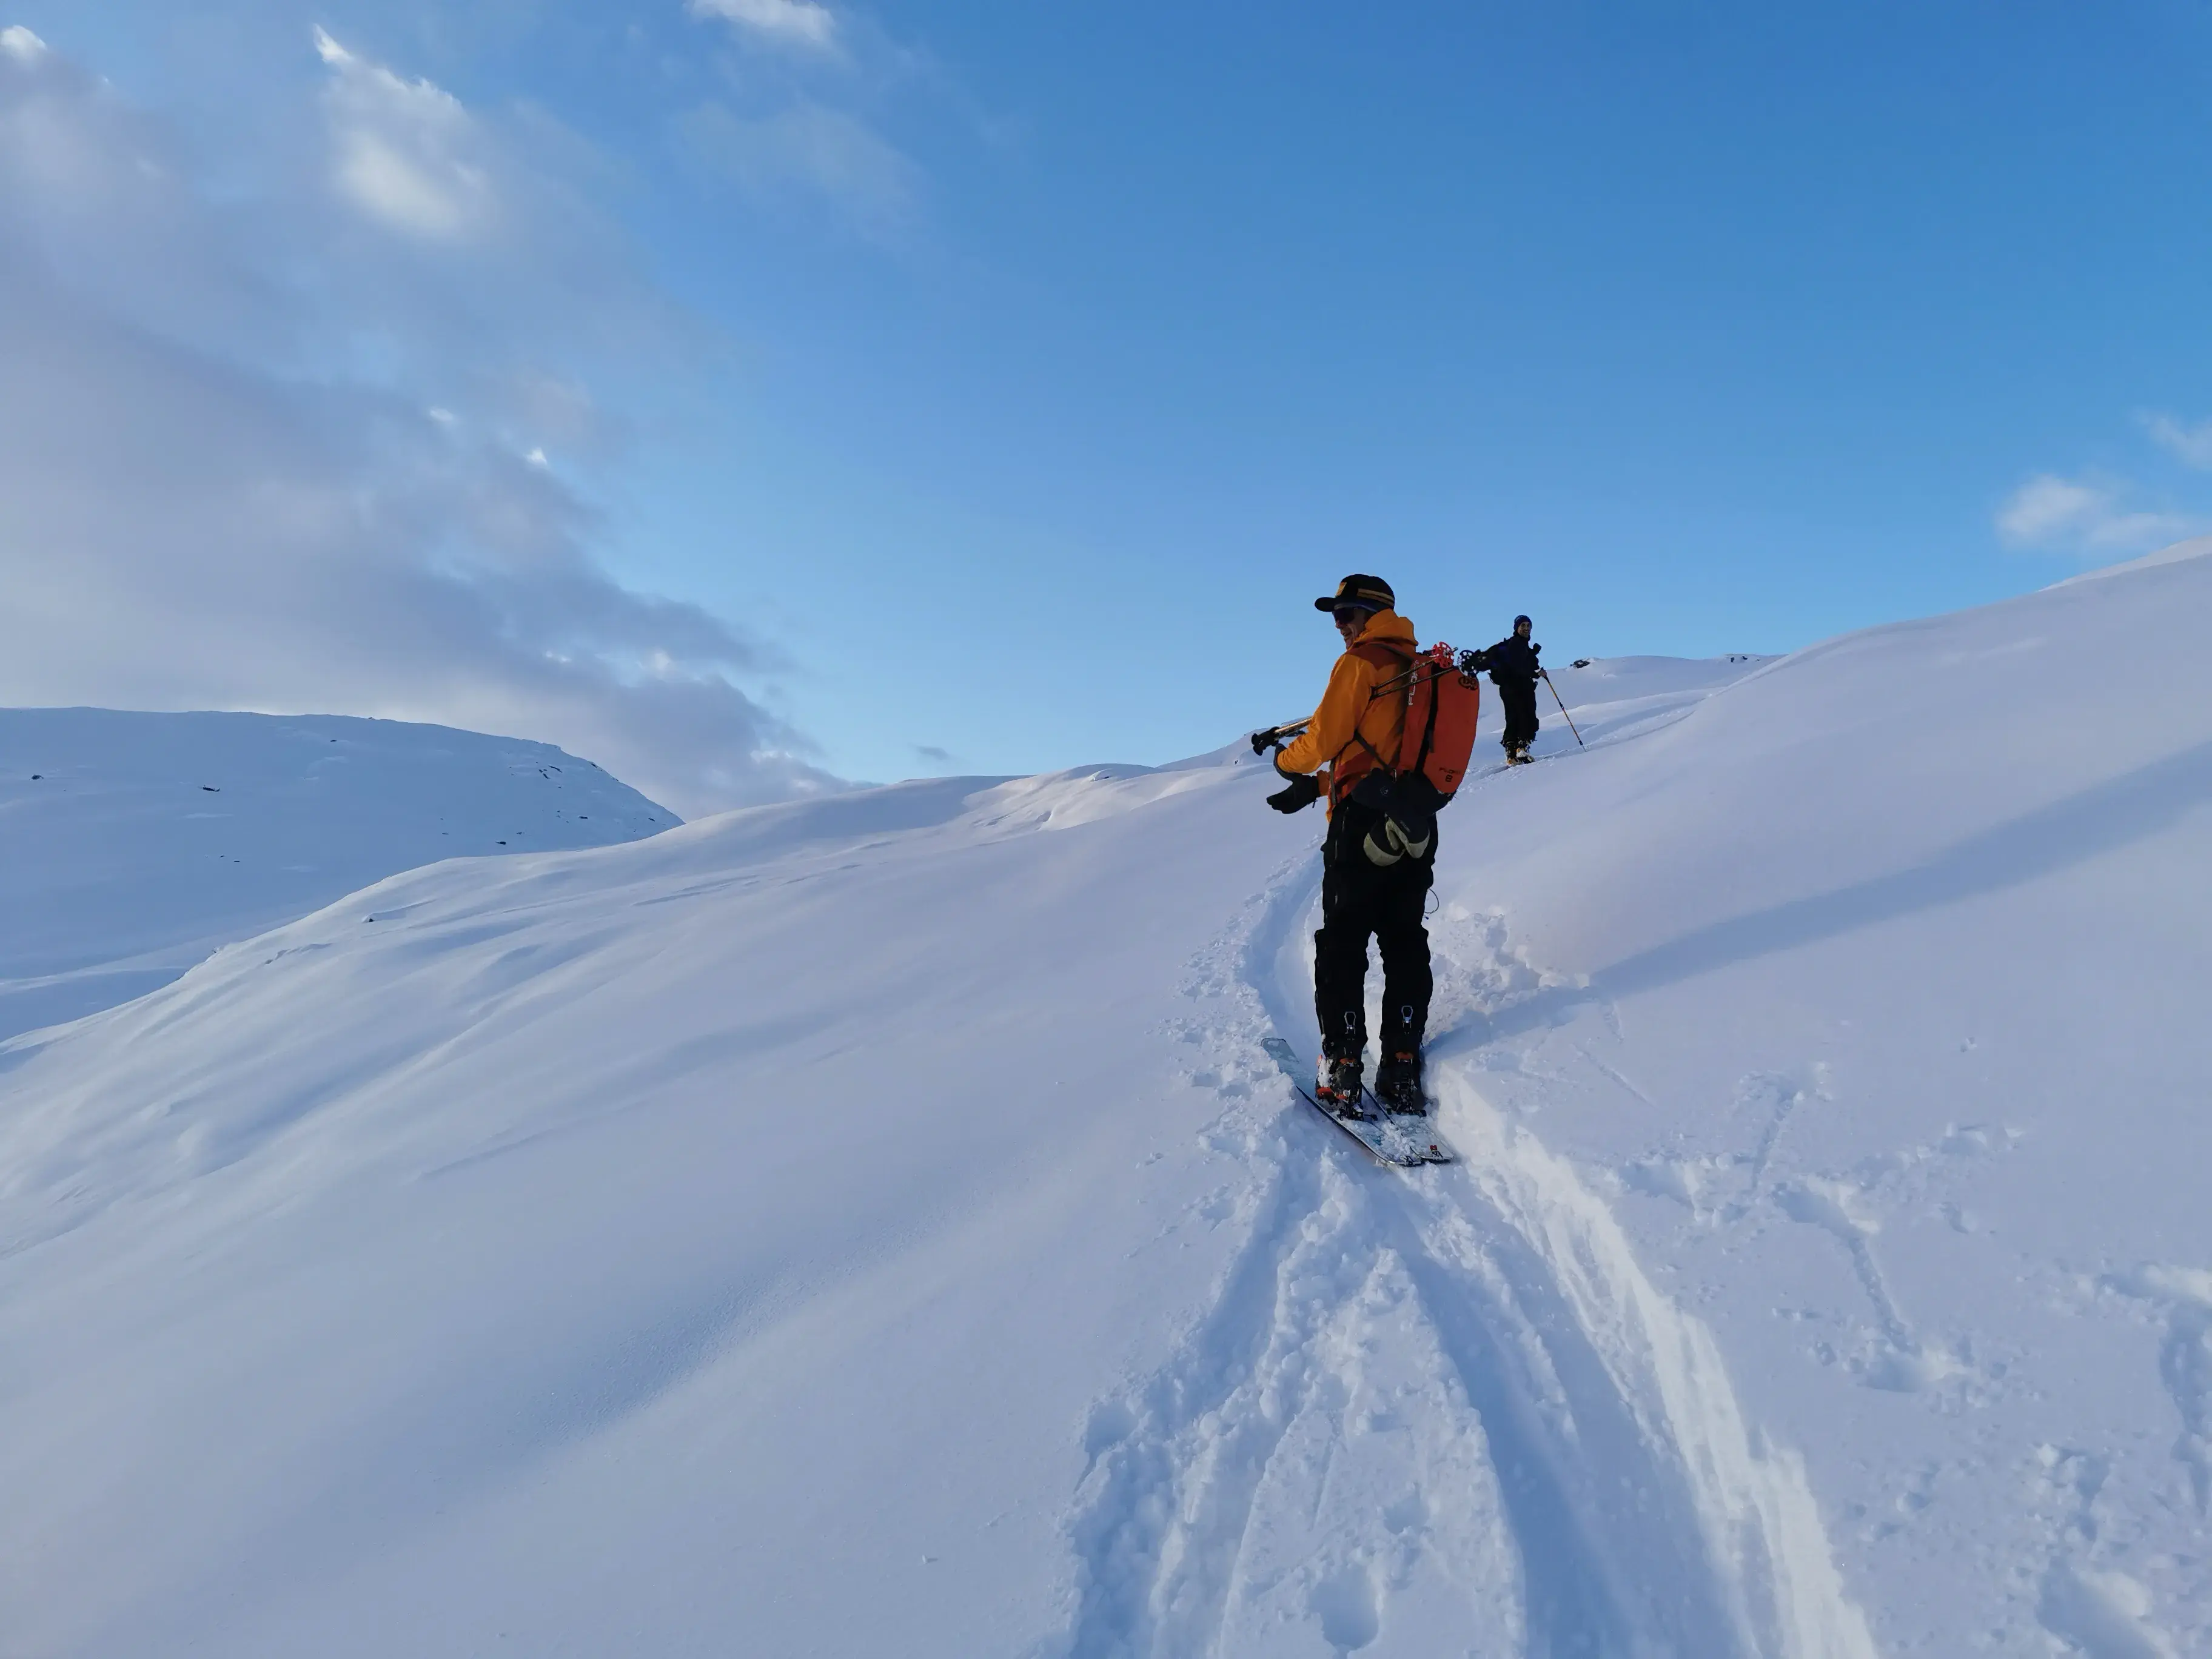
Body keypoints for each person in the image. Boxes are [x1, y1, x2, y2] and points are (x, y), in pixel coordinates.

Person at [1262, 575, 1434, 1115]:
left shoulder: (1361, 662)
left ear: (1373, 612)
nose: (1339, 625)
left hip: (1361, 826)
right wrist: (1316, 789)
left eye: (1347, 613)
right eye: (1336, 616)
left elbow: (1325, 739)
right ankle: (1402, 1062)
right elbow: (1384, 748)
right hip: (1415, 823)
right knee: (1404, 939)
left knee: (1343, 943)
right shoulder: (1421, 670)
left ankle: (1343, 1064)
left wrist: (1287, 762)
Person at [1484, 614, 1543, 763]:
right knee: (1527, 715)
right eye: (1523, 625)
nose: (1526, 628)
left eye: (1528, 625)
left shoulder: (1514, 645)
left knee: (1512, 717)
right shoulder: (1518, 645)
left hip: (1507, 687)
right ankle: (1522, 749)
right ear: (1516, 628)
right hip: (1520, 685)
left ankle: (1511, 753)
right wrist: (1536, 673)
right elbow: (1519, 667)